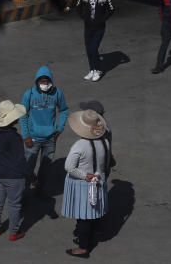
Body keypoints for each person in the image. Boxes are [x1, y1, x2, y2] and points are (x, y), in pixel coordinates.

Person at [62, 109, 111, 258]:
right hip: (99, 180)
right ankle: (95, 233)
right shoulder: (105, 142)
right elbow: (106, 164)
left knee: (83, 217)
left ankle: (83, 247)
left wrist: (85, 175)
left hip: (83, 185)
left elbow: (69, 167)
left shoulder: (80, 145)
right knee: (94, 212)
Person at [20, 66, 68, 193]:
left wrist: (60, 127)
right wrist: (26, 136)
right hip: (33, 139)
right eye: (41, 81)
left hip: (50, 139)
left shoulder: (57, 93)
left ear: (51, 81)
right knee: (28, 166)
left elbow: (64, 110)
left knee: (46, 168)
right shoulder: (29, 94)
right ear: (37, 81)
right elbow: (22, 114)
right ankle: (24, 192)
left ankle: (40, 190)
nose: (44, 84)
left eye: (47, 81)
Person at [0, 100, 30, 242]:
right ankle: (13, 232)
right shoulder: (14, 137)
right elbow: (20, 161)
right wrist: (31, 175)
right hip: (14, 177)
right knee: (14, 204)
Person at [69, 0, 115, 81]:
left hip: (99, 28)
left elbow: (111, 9)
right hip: (88, 27)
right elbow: (78, 7)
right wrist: (85, 17)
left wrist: (102, 19)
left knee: (93, 49)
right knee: (88, 50)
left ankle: (98, 70)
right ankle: (92, 70)